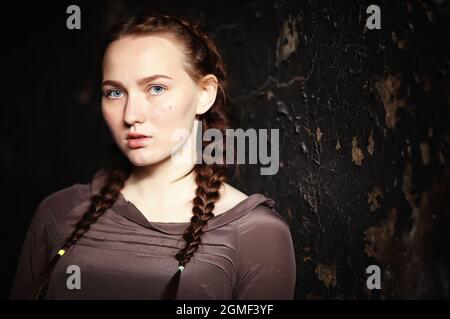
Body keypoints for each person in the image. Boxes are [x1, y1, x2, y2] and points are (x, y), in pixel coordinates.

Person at [10, 13, 296, 300]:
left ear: (205, 94)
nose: (131, 115)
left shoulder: (258, 235)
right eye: (114, 93)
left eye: (156, 88)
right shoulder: (58, 212)